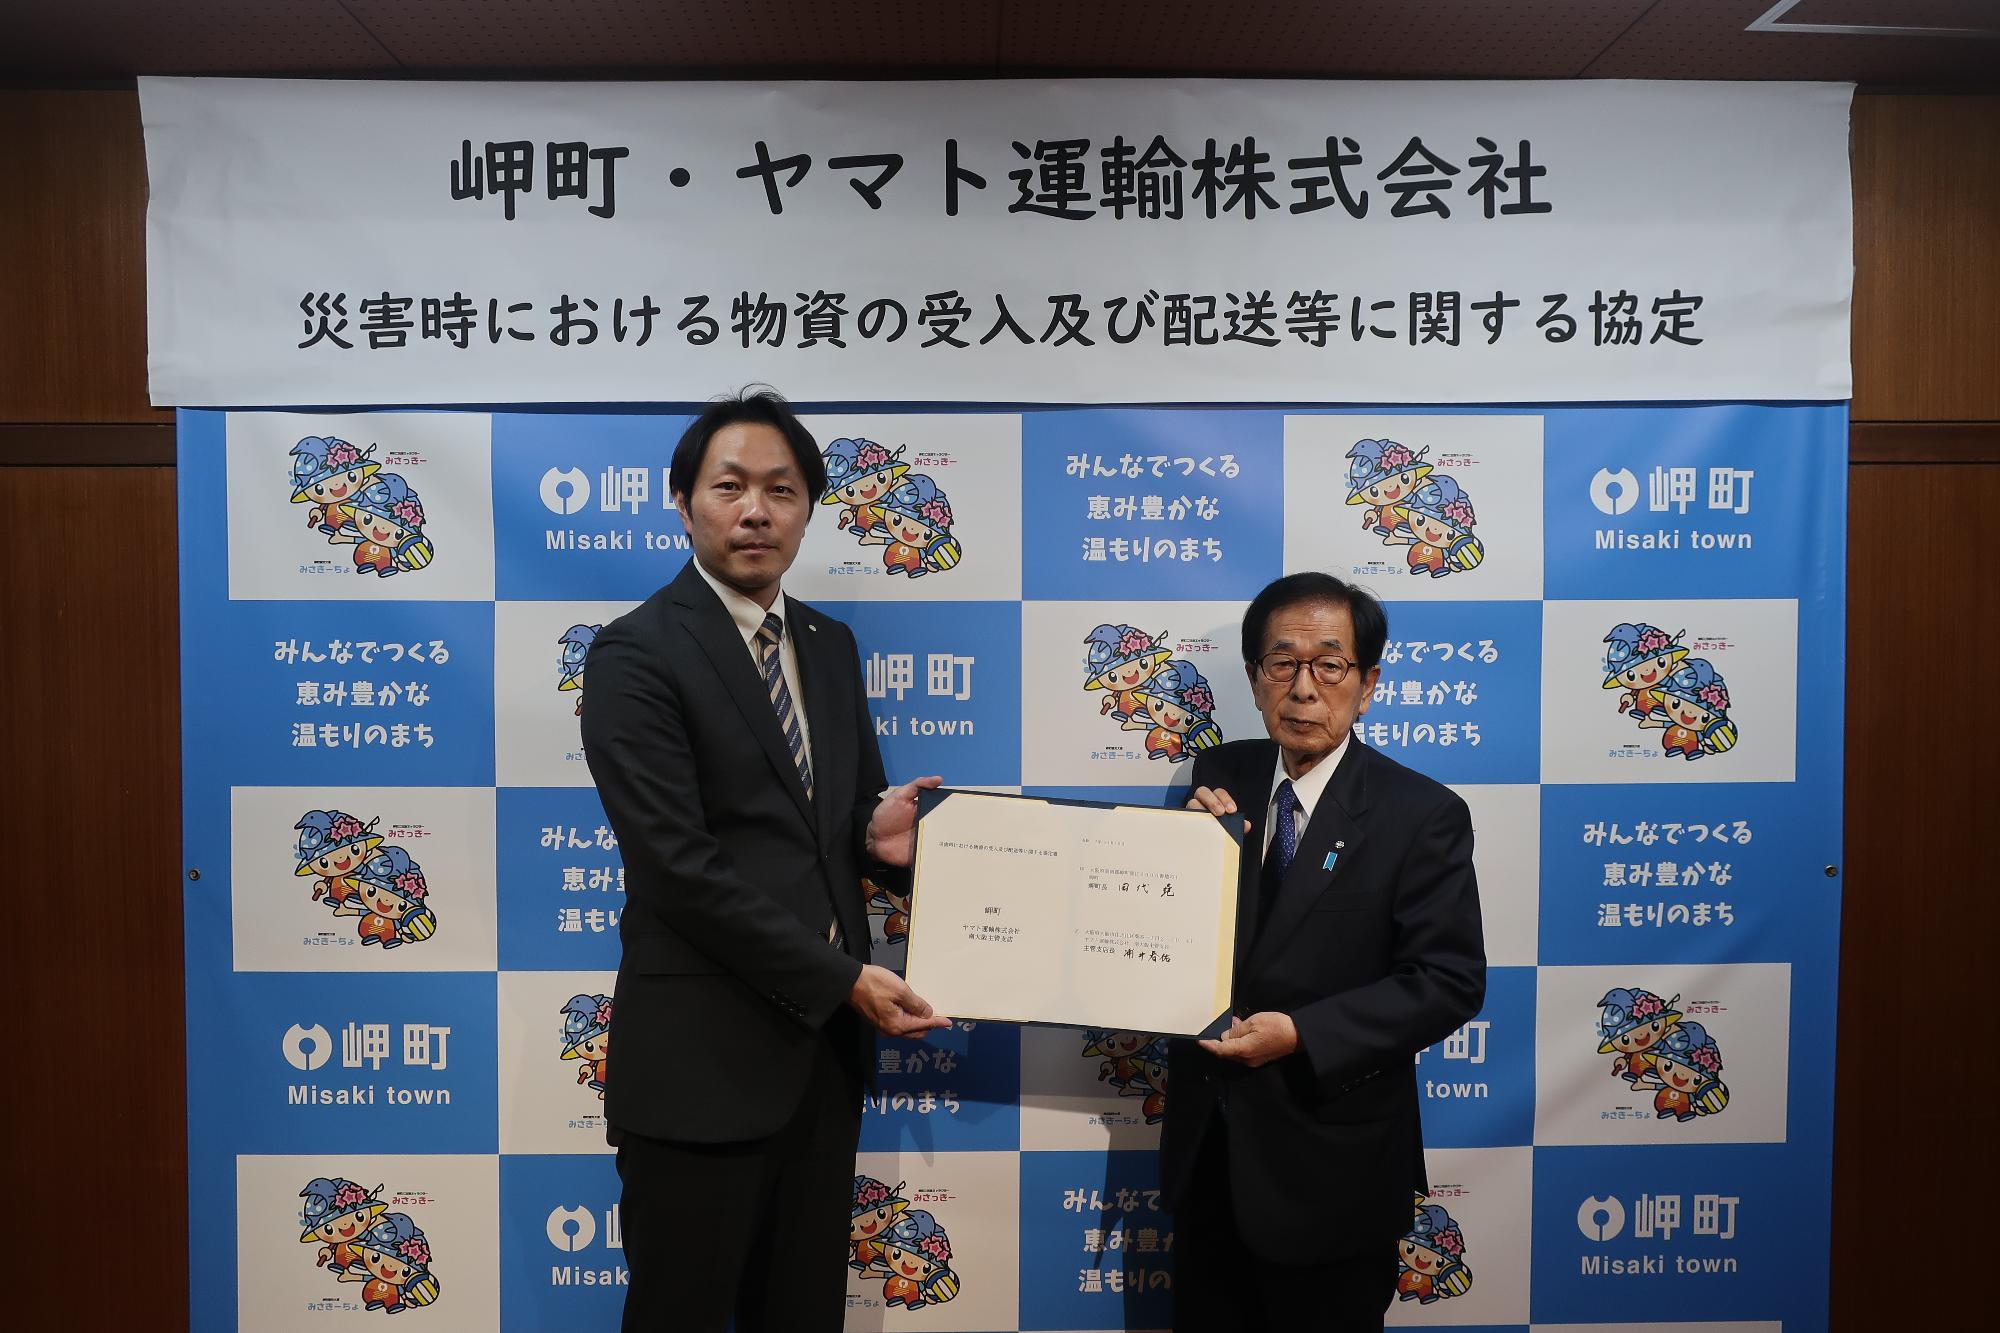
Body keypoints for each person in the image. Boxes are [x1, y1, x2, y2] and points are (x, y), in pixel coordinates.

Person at [580, 388, 950, 1333]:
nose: (756, 511)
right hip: (700, 1065)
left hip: (820, 1062)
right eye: (730, 486)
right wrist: (843, 978)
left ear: (809, 508)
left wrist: (877, 838)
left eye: (782, 490)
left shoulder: (828, 645)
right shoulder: (635, 653)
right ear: (682, 501)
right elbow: (677, 867)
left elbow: (836, 822)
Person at [1168, 571, 1486, 1332]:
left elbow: (1448, 979)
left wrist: (1303, 1034)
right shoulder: (1219, 778)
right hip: (1210, 1155)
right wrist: (1180, 854)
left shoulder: (1422, 813)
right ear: (1255, 678)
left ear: (1368, 683)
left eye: (1330, 665)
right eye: (1283, 663)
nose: (1304, 689)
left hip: (1334, 1168)